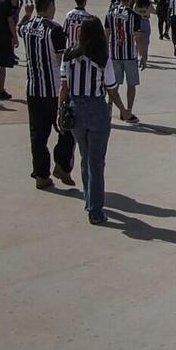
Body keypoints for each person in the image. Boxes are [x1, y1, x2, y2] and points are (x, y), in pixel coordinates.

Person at [61, 15, 126, 224]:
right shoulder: (102, 57)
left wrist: (60, 110)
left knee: (85, 155)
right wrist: (123, 110)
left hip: (75, 108)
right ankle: (95, 210)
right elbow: (112, 89)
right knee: (97, 162)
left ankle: (89, 199)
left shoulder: (69, 54)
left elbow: (64, 86)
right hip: (96, 108)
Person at [19, 0, 76, 190]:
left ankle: (41, 175)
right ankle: (61, 165)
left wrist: (27, 13)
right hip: (53, 90)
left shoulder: (27, 27)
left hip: (34, 89)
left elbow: (19, 28)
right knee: (67, 128)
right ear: (50, 6)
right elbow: (62, 64)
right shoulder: (55, 30)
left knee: (38, 135)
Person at [105, 0, 143, 124]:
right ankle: (128, 110)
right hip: (129, 54)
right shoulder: (134, 16)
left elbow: (107, 34)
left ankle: (109, 107)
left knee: (113, 83)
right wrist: (143, 55)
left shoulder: (110, 13)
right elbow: (138, 37)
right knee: (131, 84)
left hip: (114, 53)